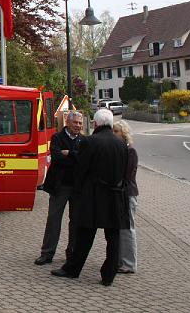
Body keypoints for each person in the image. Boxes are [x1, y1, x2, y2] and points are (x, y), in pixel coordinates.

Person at [51, 108, 129, 286]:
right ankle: (108, 275)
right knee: (113, 237)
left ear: (95, 123)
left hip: (94, 196)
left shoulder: (90, 141)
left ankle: (73, 269)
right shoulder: (121, 145)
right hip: (116, 196)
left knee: (85, 234)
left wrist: (79, 192)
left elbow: (81, 170)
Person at [35, 110, 84, 265]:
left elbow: (85, 160)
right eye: (75, 122)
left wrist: (68, 153)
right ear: (67, 123)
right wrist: (75, 157)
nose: (78, 126)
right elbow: (56, 157)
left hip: (77, 187)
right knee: (54, 219)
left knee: (76, 221)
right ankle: (47, 253)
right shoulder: (57, 137)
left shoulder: (84, 140)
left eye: (80, 123)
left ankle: (72, 253)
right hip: (59, 186)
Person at [113, 119, 138, 274]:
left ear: (124, 133)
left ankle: (129, 264)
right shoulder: (121, 150)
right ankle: (121, 260)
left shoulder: (130, 151)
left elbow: (127, 175)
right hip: (120, 193)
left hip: (127, 193)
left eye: (116, 131)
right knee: (120, 228)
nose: (114, 134)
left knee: (128, 228)